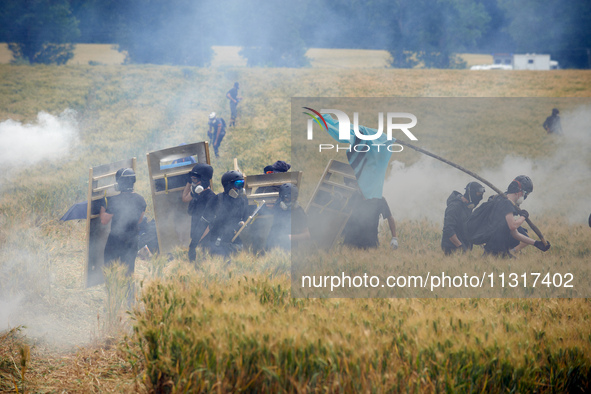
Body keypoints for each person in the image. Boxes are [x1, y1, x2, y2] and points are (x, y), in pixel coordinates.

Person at [483, 175, 550, 257]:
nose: (525, 197)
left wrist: (536, 243)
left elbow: (514, 233)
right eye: (526, 193)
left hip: (498, 250)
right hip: (495, 250)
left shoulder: (505, 201)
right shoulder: (506, 203)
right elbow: (512, 226)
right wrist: (523, 216)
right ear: (520, 191)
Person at [100, 168, 147, 276]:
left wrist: (103, 206)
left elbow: (104, 221)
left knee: (110, 270)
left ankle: (114, 291)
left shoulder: (115, 200)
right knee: (129, 271)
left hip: (116, 240)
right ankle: (129, 292)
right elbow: (139, 220)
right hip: (132, 240)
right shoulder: (141, 199)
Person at [192, 171, 249, 259]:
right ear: (228, 185)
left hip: (235, 242)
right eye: (237, 184)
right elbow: (202, 224)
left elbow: (246, 218)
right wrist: (192, 245)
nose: (240, 188)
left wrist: (243, 223)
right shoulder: (216, 200)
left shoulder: (243, 200)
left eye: (242, 184)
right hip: (217, 243)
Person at [182, 163, 216, 262]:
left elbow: (209, 224)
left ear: (204, 180)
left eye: (195, 180)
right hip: (196, 236)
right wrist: (189, 182)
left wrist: (197, 241)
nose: (193, 182)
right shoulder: (196, 193)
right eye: (192, 179)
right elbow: (184, 198)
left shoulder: (211, 198)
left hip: (204, 239)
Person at [441, 182, 485, 255]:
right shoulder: (454, 207)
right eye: (478, 194)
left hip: (465, 250)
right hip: (453, 250)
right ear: (471, 193)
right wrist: (460, 247)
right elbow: (448, 229)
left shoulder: (468, 207)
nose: (480, 197)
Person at [266, 183, 310, 251]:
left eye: (293, 199)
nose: (291, 201)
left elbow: (307, 235)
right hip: (272, 243)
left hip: (289, 247)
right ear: (281, 197)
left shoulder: (298, 212)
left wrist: (289, 237)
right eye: (288, 199)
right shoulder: (278, 205)